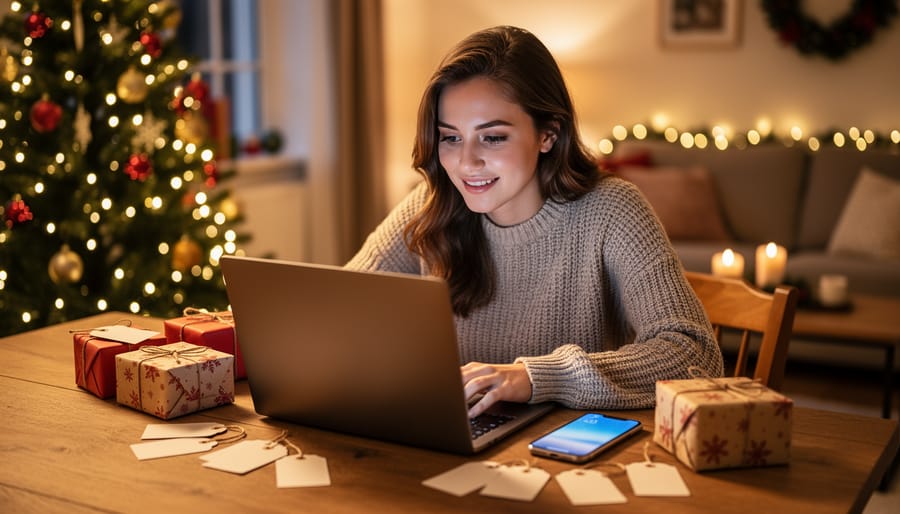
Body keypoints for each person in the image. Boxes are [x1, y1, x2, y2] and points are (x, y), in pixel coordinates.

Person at [346, 25, 723, 418]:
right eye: (450, 138)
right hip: (457, 437)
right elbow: (340, 307)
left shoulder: (613, 210)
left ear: (548, 133)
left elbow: (693, 355)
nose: (466, 162)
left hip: (569, 451)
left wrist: (537, 376)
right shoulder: (432, 203)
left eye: (492, 138)